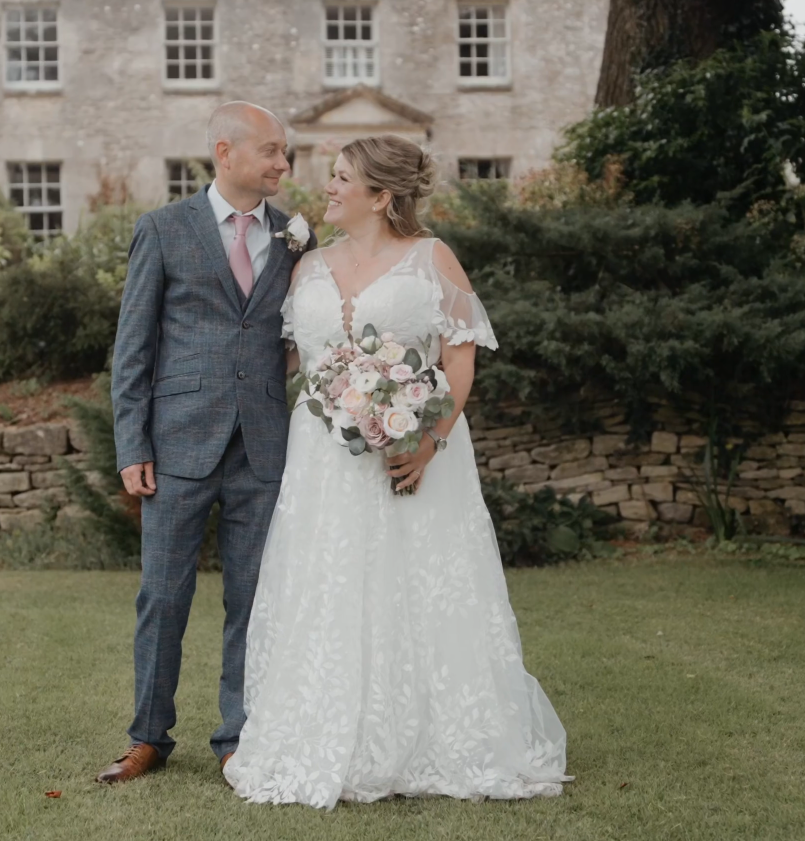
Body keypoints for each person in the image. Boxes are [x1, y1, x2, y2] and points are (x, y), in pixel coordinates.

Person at [222, 134, 570, 808]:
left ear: (381, 196)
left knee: (417, 584)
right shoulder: (307, 266)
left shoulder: (431, 259)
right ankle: (327, 731)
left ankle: (432, 736)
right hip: (322, 456)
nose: (326, 187)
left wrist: (430, 435)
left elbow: (460, 355)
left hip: (414, 451)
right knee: (328, 584)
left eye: (341, 177)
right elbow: (292, 360)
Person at [98, 101, 313, 784]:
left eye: (287, 154)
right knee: (163, 594)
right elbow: (132, 348)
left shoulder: (293, 238)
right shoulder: (162, 229)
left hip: (263, 444)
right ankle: (148, 736)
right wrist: (132, 445)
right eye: (272, 152)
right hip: (177, 444)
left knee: (253, 598)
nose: (283, 164)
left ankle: (236, 737)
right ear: (226, 152)